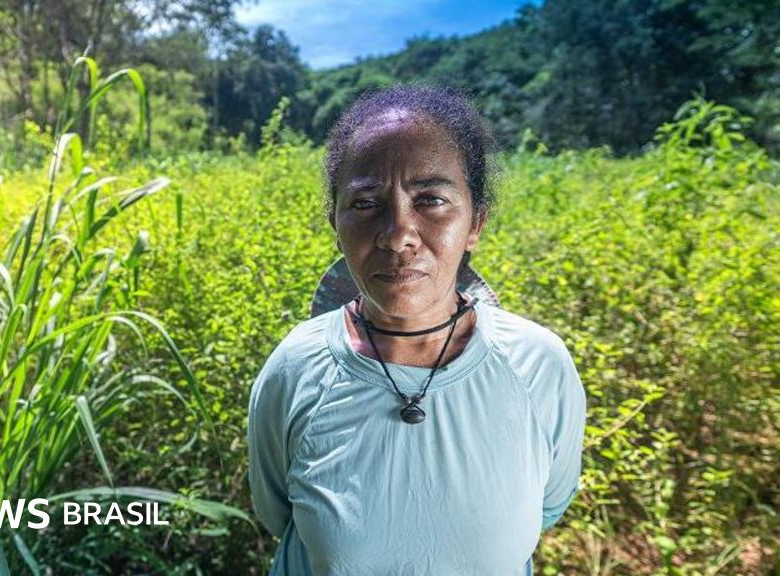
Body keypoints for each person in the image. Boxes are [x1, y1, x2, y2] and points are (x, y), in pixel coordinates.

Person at [246, 85, 587, 575]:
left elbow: (549, 505)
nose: (398, 233)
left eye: (431, 199)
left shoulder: (537, 365)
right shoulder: (295, 368)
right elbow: (279, 512)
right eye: (365, 204)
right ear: (335, 224)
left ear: (476, 223)